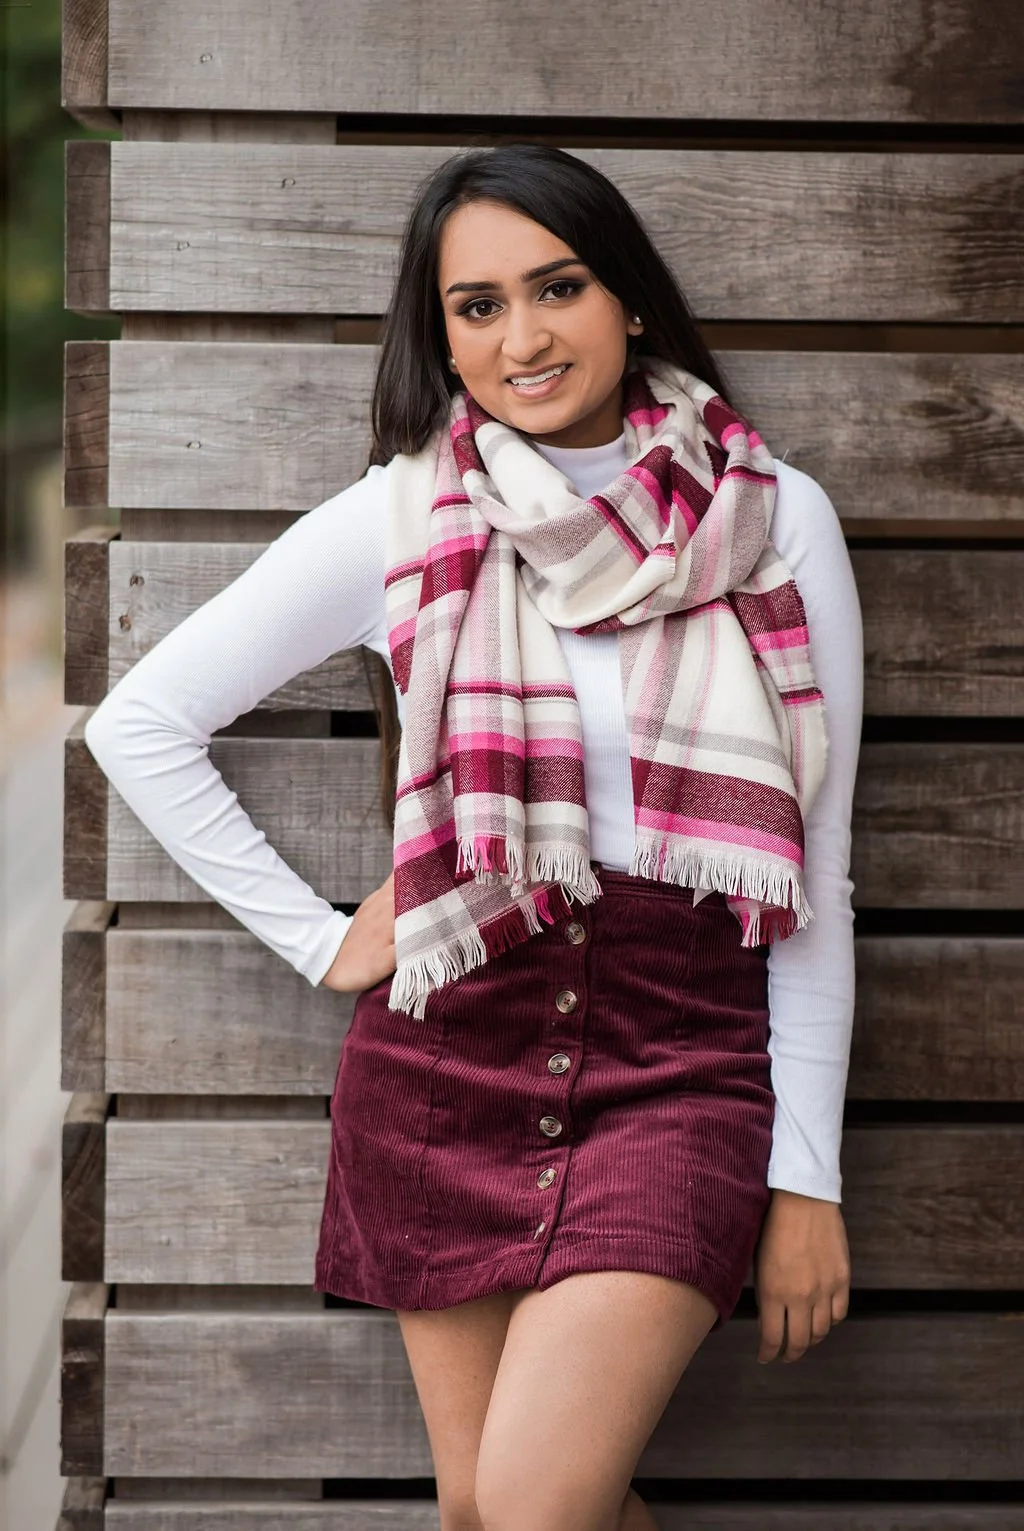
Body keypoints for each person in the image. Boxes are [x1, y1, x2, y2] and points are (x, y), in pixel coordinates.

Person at [85, 142, 861, 1531]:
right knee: (481, 1515)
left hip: (678, 1059)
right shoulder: (401, 518)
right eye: (477, 305)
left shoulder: (771, 521)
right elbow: (139, 723)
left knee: (534, 1503)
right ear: (439, 335)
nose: (523, 334)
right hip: (448, 1063)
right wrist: (325, 940)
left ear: (629, 301)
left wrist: (805, 1175)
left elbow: (817, 876)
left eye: (556, 287)